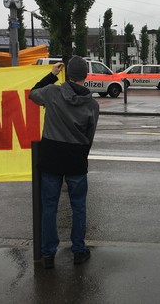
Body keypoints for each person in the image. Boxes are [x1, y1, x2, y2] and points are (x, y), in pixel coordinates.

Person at [29, 56, 100, 269]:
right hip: (76, 158)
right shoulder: (92, 105)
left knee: (49, 207)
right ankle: (78, 250)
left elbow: (32, 93)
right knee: (78, 206)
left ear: (67, 74)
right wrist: (81, 154)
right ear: (85, 76)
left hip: (51, 156)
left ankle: (48, 254)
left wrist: (51, 75)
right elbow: (90, 136)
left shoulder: (52, 93)